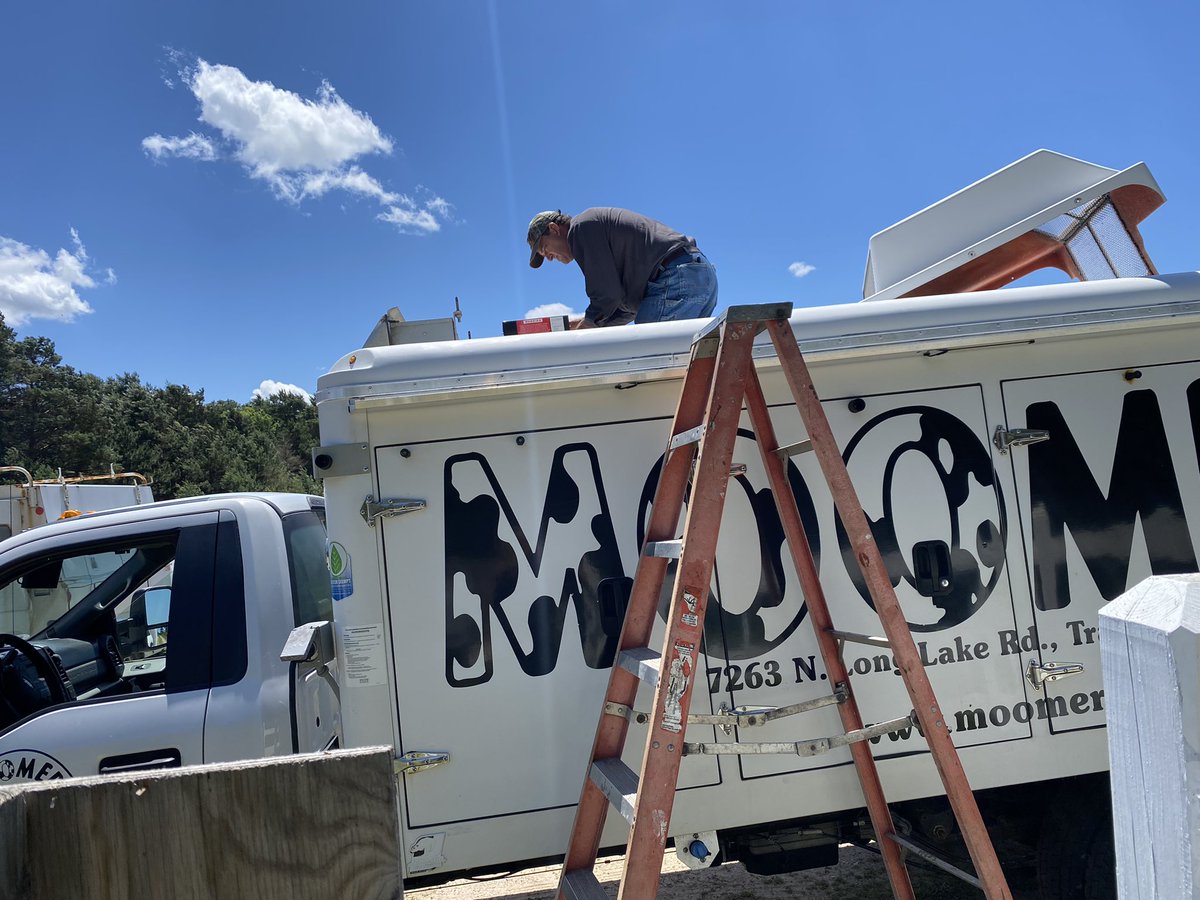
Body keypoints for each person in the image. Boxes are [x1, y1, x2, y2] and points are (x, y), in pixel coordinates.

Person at [526, 208, 718, 328]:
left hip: (675, 277)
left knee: (646, 359)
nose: (549, 258)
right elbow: (624, 307)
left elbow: (606, 296)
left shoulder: (581, 228)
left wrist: (586, 327)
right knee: (680, 362)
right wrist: (593, 323)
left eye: (544, 249)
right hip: (698, 275)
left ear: (553, 228)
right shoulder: (596, 234)